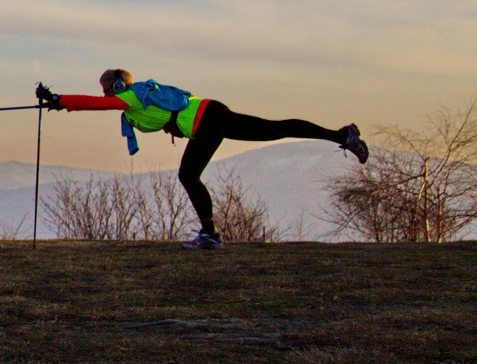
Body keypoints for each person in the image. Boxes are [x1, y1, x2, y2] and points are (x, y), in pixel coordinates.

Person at [36, 69, 369, 250]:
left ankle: (210, 235)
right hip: (208, 117)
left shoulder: (131, 96)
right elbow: (98, 104)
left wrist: (59, 99)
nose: (107, 92)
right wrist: (59, 104)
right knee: (272, 131)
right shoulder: (139, 96)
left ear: (119, 83)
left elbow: (97, 104)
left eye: (107, 86)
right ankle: (342, 136)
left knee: (197, 171)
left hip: (207, 120)